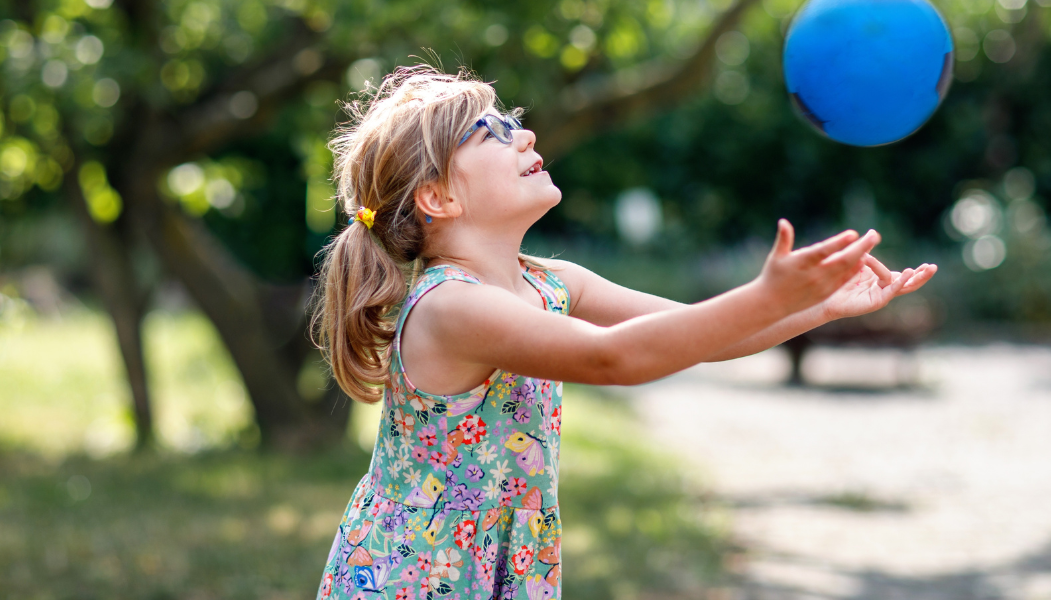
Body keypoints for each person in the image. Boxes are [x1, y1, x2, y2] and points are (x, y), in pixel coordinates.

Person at [310, 65, 936, 600]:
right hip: (415, 573)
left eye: (515, 120)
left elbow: (699, 337)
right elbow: (616, 359)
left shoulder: (552, 282)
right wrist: (765, 294)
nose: (526, 134)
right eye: (492, 133)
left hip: (495, 560)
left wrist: (818, 308)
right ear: (438, 198)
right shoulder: (451, 307)